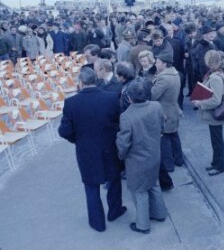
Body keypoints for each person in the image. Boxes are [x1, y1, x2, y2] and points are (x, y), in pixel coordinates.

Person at [58, 68, 126, 232]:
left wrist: (77, 140)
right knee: (114, 180)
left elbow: (64, 131)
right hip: (110, 147)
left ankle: (97, 223)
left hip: (86, 151)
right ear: (96, 80)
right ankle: (115, 211)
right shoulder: (111, 98)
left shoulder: (71, 102)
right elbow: (121, 123)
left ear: (80, 83)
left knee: (91, 186)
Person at [116, 78, 167, 234]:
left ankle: (142, 225)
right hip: (154, 154)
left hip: (136, 160)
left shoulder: (127, 116)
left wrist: (121, 155)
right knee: (154, 183)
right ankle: (160, 213)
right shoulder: (156, 106)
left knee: (139, 191)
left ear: (129, 98)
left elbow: (124, 143)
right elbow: (162, 126)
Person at [192, 50, 224, 176]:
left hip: (214, 115)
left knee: (217, 142)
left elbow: (216, 100)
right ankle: (215, 162)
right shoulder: (215, 74)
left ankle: (219, 166)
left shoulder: (215, 78)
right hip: (214, 116)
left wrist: (200, 103)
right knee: (216, 141)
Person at [151, 52, 184, 181]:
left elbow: (153, 95)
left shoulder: (163, 78)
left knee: (164, 139)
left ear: (165, 64)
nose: (156, 63)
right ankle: (179, 159)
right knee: (174, 136)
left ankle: (169, 165)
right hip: (173, 108)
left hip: (165, 111)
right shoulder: (174, 74)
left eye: (158, 62)